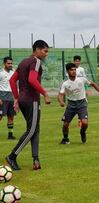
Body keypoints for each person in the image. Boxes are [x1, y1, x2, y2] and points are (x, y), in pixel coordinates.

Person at [5, 40, 51, 170]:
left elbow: (12, 80)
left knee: (35, 129)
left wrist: (16, 98)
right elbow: (32, 80)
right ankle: (12, 156)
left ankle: (36, 160)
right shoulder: (36, 61)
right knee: (31, 130)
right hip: (32, 100)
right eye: (45, 51)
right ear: (37, 49)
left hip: (23, 100)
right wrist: (45, 93)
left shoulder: (24, 61)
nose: (46, 54)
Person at [58, 63, 99, 144]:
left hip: (82, 103)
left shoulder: (82, 79)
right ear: (67, 71)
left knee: (84, 123)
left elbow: (93, 84)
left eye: (74, 70)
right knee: (66, 124)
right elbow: (60, 95)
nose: (74, 71)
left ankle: (82, 132)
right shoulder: (65, 83)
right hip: (71, 105)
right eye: (71, 70)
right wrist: (61, 102)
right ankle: (65, 139)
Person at [0, 57, 16, 140]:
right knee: (0, 116)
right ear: (4, 64)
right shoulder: (1, 73)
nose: (10, 65)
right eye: (8, 63)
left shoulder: (13, 73)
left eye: (11, 63)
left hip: (11, 98)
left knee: (11, 116)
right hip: (3, 97)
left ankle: (10, 134)